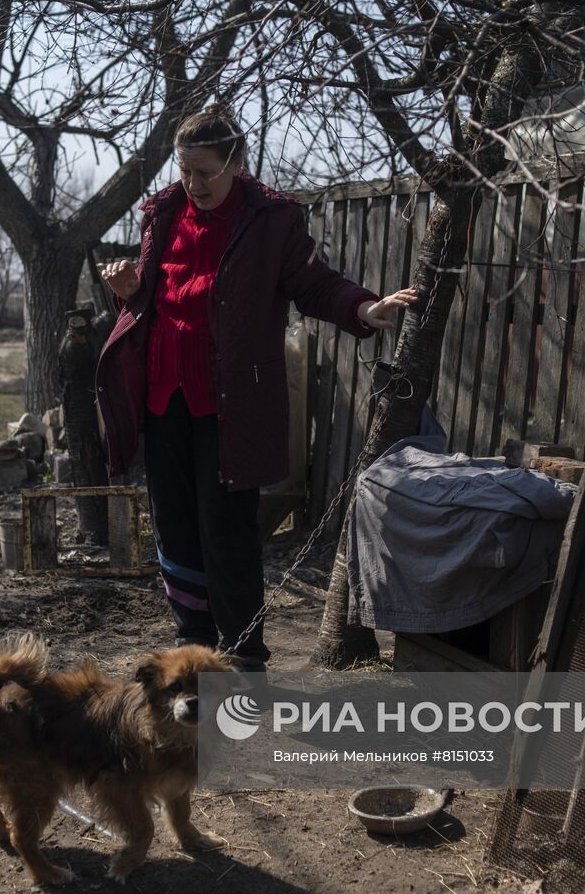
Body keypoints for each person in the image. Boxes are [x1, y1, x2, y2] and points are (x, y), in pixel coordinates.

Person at [94, 103, 417, 670]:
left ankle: (244, 655)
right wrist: (127, 289)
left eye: (205, 172)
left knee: (227, 529)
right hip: (164, 398)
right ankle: (191, 645)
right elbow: (153, 300)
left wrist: (364, 307)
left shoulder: (271, 219)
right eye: (184, 170)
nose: (193, 184)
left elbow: (312, 283)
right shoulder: (162, 213)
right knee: (174, 526)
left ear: (236, 163)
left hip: (231, 405)